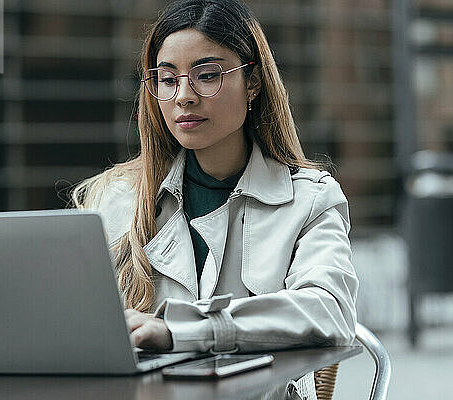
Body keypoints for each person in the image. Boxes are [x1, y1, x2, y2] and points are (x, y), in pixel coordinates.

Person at [71, 0, 358, 398]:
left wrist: (183, 330)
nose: (184, 96)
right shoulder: (116, 198)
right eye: (167, 79)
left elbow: (330, 312)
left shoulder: (309, 200)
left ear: (253, 81)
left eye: (207, 75)